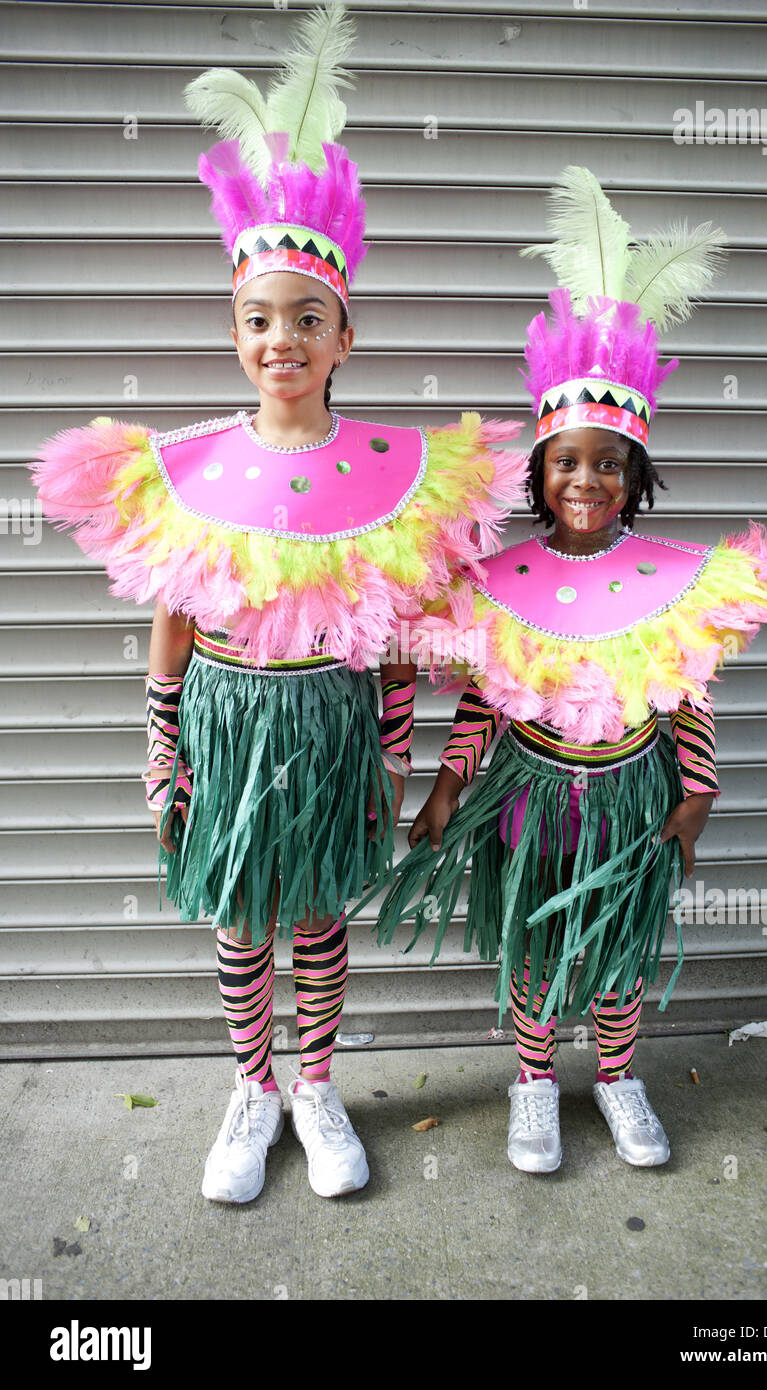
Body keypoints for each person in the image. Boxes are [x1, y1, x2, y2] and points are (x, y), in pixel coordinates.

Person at [29, 3, 523, 1205]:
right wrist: (164, 756)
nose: (282, 339)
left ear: (346, 333)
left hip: (330, 726)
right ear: (235, 331)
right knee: (241, 914)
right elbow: (173, 617)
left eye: (307, 318)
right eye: (260, 319)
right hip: (226, 722)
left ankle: (316, 1080)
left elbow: (399, 640)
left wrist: (391, 762)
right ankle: (249, 1085)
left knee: (317, 918)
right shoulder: (187, 469)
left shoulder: (395, 478)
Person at [358, 168, 767, 1176]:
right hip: (529, 795)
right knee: (533, 942)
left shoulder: (671, 580)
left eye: (609, 463)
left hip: (629, 795)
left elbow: (684, 685)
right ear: (538, 468)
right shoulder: (499, 582)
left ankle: (615, 1074)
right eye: (567, 461)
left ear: (637, 475)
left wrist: (696, 792)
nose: (587, 480)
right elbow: (489, 689)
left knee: (616, 948)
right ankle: (534, 1081)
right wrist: (446, 781)